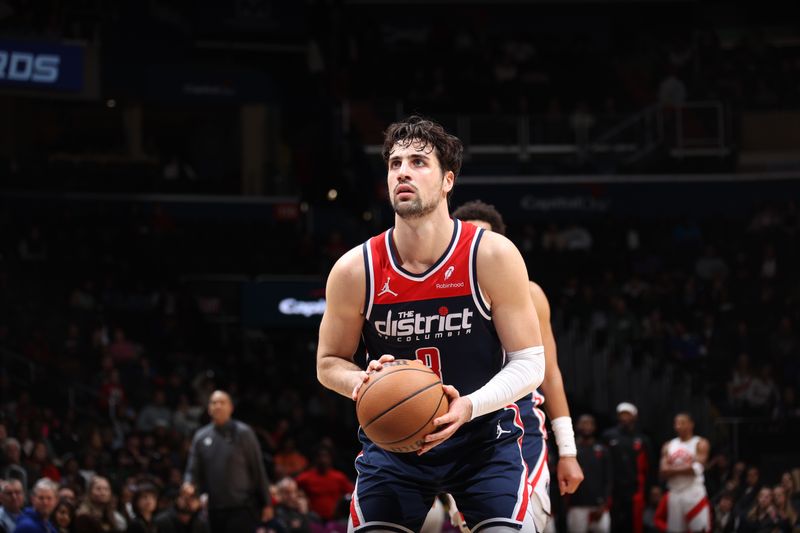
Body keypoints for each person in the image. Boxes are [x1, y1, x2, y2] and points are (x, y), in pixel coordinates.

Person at [316, 115, 546, 531]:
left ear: (447, 181)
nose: (403, 170)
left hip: (483, 439)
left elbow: (530, 363)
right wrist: (360, 383)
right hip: (393, 448)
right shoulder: (355, 269)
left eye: (419, 162)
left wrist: (469, 406)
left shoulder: (490, 256)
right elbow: (329, 361)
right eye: (394, 163)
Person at [452, 199, 584, 530]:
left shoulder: (527, 293)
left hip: (520, 429)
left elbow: (550, 374)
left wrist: (567, 451)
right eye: (468, 241)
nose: (477, 250)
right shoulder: (438, 298)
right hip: (458, 435)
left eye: (485, 241)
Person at [182, 390, 272, 533]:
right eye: (214, 403)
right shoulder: (200, 436)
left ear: (231, 407)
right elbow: (192, 469)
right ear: (209, 408)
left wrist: (266, 502)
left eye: (222, 402)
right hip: (214, 507)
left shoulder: (244, 432)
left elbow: (257, 468)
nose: (218, 406)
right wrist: (188, 483)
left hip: (242, 507)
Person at [602, 402, 652, 533]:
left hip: (635, 488)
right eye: (622, 414)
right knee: (614, 522)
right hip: (614, 487)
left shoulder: (642, 439)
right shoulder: (608, 436)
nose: (625, 418)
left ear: (634, 417)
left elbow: (649, 466)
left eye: (628, 415)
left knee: (634, 523)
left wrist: (650, 488)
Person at [659, 412, 711, 532]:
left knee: (699, 529)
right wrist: (687, 467)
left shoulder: (700, 443)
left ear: (691, 425)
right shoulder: (668, 445)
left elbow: (696, 469)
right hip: (675, 493)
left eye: (682, 423)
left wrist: (672, 470)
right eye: (676, 423)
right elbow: (662, 472)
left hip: (694, 492)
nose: (678, 426)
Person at [564, 415, 611, 533]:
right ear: (577, 426)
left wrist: (604, 504)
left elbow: (609, 478)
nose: (586, 426)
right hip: (577, 505)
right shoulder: (570, 449)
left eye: (589, 423)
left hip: (599, 505)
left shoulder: (602, 450)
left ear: (594, 427)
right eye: (583, 423)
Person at [294, 448, 352, 523]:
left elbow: (351, 493)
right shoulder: (306, 477)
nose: (323, 460)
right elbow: (291, 487)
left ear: (331, 459)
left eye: (325, 457)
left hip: (335, 520)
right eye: (320, 457)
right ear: (315, 459)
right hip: (313, 520)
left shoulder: (339, 477)